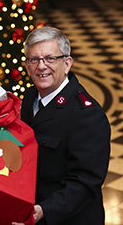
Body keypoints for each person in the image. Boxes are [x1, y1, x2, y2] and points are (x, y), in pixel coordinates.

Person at [13, 26, 110, 225]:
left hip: (66, 218)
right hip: (30, 213)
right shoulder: (30, 96)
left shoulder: (87, 114)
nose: (41, 66)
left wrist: (43, 210)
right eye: (34, 59)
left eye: (50, 58)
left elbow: (85, 182)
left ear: (67, 64)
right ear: (27, 65)